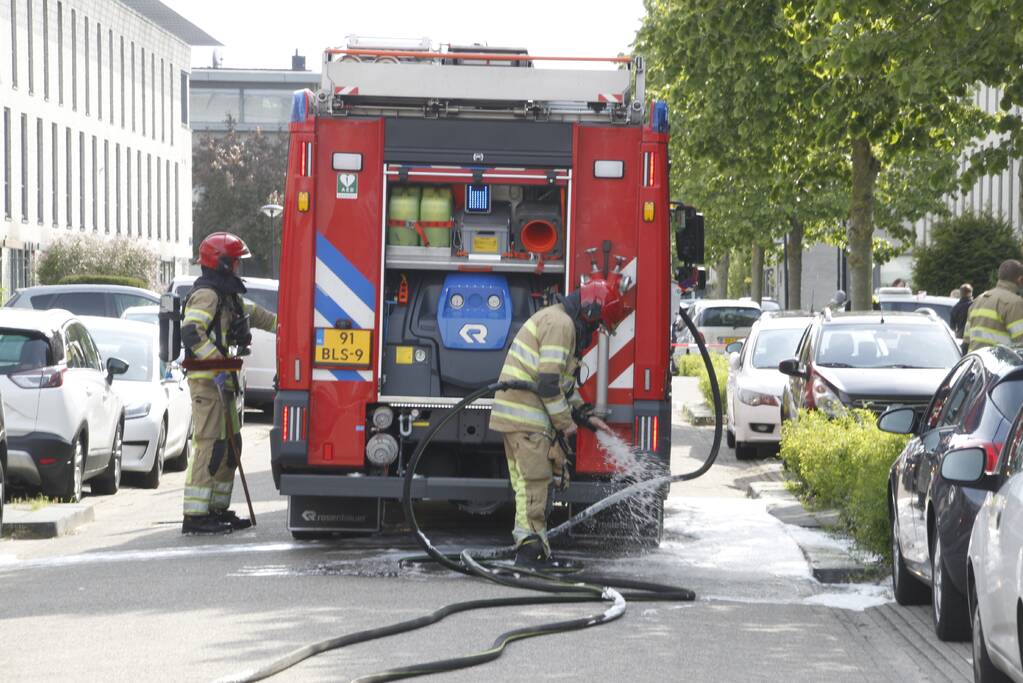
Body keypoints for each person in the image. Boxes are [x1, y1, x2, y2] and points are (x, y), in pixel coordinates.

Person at [489, 276, 630, 569]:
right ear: (590, 311)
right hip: (526, 417)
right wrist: (566, 422)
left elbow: (563, 385)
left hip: (520, 415)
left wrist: (585, 416)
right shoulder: (561, 325)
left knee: (527, 485)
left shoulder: (559, 322)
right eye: (597, 325)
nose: (594, 333)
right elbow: (548, 384)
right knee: (536, 483)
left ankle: (534, 550)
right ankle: (529, 555)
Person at [180, 232, 278, 534]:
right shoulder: (207, 295)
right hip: (208, 384)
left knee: (230, 446)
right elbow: (192, 332)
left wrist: (293, 326)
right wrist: (216, 364)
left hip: (225, 383)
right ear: (222, 263)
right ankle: (196, 516)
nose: (239, 268)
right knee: (210, 446)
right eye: (236, 262)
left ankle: (217, 509)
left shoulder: (229, 297)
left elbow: (260, 316)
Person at [963, 261, 1023, 352]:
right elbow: (1021, 342)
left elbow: (966, 343)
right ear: (1020, 280)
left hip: (975, 364)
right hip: (1001, 364)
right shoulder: (1014, 303)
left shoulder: (978, 300)